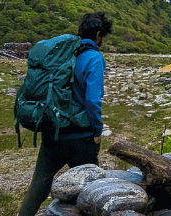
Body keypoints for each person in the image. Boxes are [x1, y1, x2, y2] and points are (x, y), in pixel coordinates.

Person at [18, 12, 112, 216]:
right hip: (80, 137)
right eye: (103, 36)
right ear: (98, 34)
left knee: (38, 187)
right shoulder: (94, 57)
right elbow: (92, 100)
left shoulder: (64, 54)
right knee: (92, 191)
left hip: (53, 131)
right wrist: (97, 131)